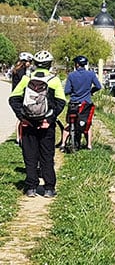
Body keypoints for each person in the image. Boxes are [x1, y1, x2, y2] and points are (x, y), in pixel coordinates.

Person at [8, 50, 66, 198]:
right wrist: (49, 120)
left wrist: (23, 118)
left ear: (34, 63)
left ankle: (31, 188)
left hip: (28, 124)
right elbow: (61, 102)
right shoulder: (54, 80)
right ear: (49, 64)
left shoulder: (27, 79)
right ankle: (48, 188)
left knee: (30, 156)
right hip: (46, 125)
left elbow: (13, 99)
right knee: (47, 156)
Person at [62, 55, 101, 150]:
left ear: (77, 64)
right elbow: (99, 86)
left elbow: (67, 91)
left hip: (74, 103)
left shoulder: (71, 75)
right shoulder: (91, 74)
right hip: (86, 104)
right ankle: (89, 145)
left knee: (69, 123)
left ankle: (63, 144)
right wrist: (91, 91)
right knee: (88, 124)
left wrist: (73, 91)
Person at [10, 52, 33, 143]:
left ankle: (18, 137)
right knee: (22, 117)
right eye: (30, 62)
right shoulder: (22, 72)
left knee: (20, 117)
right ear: (26, 61)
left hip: (15, 94)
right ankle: (19, 137)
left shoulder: (16, 69)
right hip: (20, 95)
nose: (30, 64)